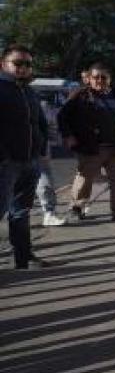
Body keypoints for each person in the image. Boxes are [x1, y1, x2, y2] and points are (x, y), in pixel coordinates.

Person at [57, 62, 115, 222]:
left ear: (109, 79)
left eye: (103, 77)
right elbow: (62, 116)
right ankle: (77, 207)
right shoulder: (80, 95)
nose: (99, 80)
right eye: (96, 77)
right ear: (89, 79)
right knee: (85, 178)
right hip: (91, 147)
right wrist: (68, 136)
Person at [0, 45, 50, 268]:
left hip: (30, 160)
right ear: (4, 64)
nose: (23, 68)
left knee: (21, 210)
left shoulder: (29, 91)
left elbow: (39, 123)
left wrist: (42, 149)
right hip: (6, 162)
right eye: (18, 63)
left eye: (28, 64)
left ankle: (23, 257)